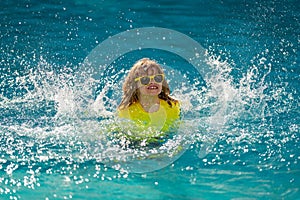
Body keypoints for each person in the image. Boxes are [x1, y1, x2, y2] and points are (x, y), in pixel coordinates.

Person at [116, 58, 180, 145]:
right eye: (145, 80)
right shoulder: (126, 111)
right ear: (135, 85)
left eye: (157, 78)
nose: (152, 82)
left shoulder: (172, 106)